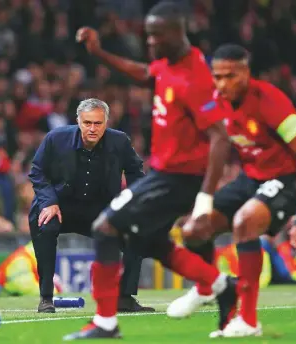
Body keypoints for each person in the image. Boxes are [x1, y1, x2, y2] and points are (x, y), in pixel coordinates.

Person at [65, 2, 235, 340]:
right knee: (151, 242)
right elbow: (145, 73)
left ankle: (105, 322)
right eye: (149, 35)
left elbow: (220, 137)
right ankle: (222, 285)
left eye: (157, 36)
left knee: (105, 227)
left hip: (179, 178)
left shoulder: (194, 77)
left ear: (177, 33)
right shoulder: (169, 64)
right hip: (163, 173)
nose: (151, 42)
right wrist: (100, 52)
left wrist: (204, 198)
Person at [167, 44, 296, 338]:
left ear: (246, 73)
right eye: (218, 76)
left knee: (245, 222)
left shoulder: (270, 100)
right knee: (193, 229)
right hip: (249, 178)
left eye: (230, 76)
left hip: (285, 179)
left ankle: (248, 320)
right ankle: (206, 287)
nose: (223, 84)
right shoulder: (214, 101)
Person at [28, 98, 154, 313]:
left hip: (100, 208)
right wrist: (49, 202)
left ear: (106, 122)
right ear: (78, 121)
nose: (92, 129)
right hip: (60, 205)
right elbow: (37, 171)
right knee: (44, 225)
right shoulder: (56, 138)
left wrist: (133, 205)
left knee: (136, 233)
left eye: (97, 123)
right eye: (87, 123)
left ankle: (124, 298)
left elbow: (135, 171)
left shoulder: (120, 141)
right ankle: (46, 297)